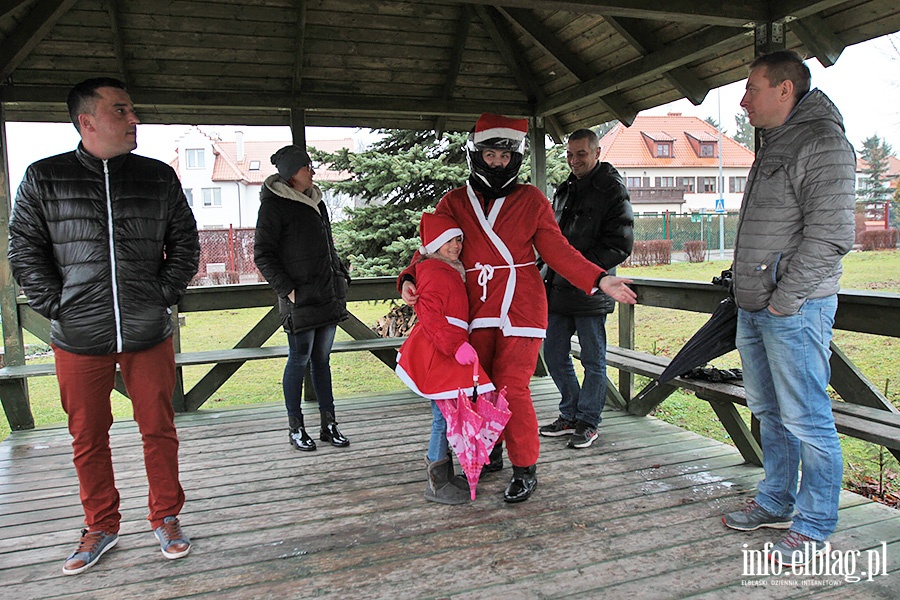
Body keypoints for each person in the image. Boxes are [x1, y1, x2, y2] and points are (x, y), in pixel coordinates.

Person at [7, 78, 200, 575]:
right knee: (87, 436)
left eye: (132, 109)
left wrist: (161, 295)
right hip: (77, 336)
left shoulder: (158, 177)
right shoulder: (44, 178)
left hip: (147, 331)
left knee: (159, 428)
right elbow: (24, 249)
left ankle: (166, 516)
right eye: (122, 110)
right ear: (87, 121)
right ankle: (101, 525)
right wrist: (58, 305)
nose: (135, 119)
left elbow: (185, 242)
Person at [399, 113, 637, 503]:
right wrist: (409, 276)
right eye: (490, 154)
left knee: (513, 388)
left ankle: (525, 467)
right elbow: (431, 245)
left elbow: (558, 251)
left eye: (504, 157)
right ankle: (490, 450)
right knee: (479, 387)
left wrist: (599, 279)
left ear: (516, 158)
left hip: (521, 306)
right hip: (473, 308)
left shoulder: (531, 200)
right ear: (476, 154)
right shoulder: (454, 201)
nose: (497, 163)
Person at [721, 50, 856, 567]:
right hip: (757, 306)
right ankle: (777, 499)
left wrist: (783, 301)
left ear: (785, 90)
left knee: (807, 419)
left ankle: (816, 524)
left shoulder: (822, 142)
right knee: (770, 413)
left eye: (752, 88)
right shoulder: (778, 141)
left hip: (792, 311)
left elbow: (831, 236)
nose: (743, 99)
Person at [539, 129, 634, 449]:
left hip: (593, 289)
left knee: (594, 359)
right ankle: (571, 413)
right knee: (552, 352)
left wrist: (583, 272)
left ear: (597, 153)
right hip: (556, 288)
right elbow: (551, 240)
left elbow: (621, 244)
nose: (574, 160)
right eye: (569, 154)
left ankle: (589, 421)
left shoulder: (612, 190)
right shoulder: (564, 189)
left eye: (581, 154)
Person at [254, 145, 352, 452]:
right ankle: (295, 427)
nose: (312, 171)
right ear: (290, 173)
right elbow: (263, 254)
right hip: (299, 299)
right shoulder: (274, 206)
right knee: (299, 360)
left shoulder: (316, 202)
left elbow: (327, 246)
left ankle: (329, 424)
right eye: (306, 167)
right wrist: (289, 290)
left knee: (322, 361)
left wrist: (340, 276)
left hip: (326, 293)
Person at [395, 212, 494, 505]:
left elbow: (419, 257)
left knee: (446, 415)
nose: (456, 246)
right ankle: (437, 481)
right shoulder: (436, 272)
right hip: (439, 350)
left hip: (447, 348)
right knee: (442, 417)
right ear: (436, 244)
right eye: (449, 241)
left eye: (458, 240)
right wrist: (455, 346)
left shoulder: (446, 267)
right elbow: (431, 316)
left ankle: (445, 474)